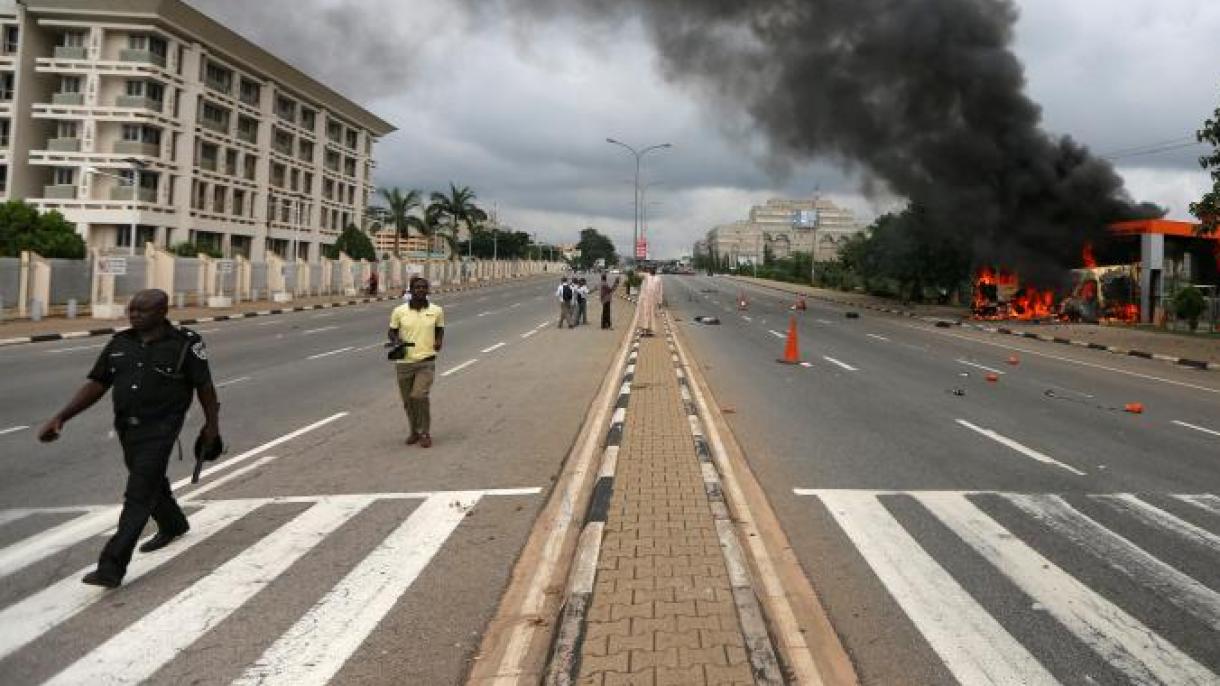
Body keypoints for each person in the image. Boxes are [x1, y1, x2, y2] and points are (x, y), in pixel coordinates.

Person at [38, 289, 220, 589]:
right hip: (127, 428)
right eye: (132, 310)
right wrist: (61, 417)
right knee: (148, 482)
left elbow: (205, 387)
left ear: (162, 312)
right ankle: (173, 523)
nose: (134, 315)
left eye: (142, 311)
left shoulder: (185, 345)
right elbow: (97, 384)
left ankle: (111, 567)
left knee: (137, 495)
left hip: (162, 429)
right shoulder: (120, 343)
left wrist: (211, 427)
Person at [389, 276, 444, 448]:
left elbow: (440, 329)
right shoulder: (399, 311)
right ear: (410, 290)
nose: (420, 290)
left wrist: (439, 340)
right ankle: (414, 431)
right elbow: (391, 331)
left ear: (427, 291)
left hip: (426, 361)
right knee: (408, 401)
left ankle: (425, 432)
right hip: (404, 362)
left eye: (423, 287)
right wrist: (396, 340)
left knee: (419, 396)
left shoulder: (436, 310)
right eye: (417, 287)